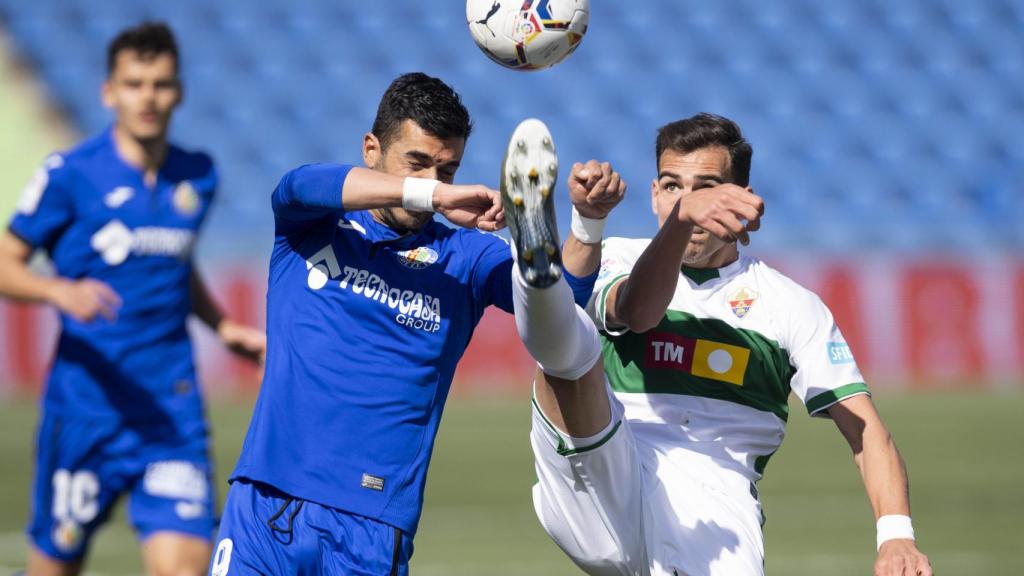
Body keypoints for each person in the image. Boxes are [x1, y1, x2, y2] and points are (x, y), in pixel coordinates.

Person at [210, 73, 623, 575]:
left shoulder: (465, 257)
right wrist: (433, 196)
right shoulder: (311, 225)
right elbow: (299, 185)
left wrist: (587, 224)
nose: (433, 180)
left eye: (446, 170)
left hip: (372, 525)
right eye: (418, 162)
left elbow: (565, 309)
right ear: (372, 149)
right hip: (265, 501)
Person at [509, 113, 932, 575]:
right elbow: (637, 312)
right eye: (671, 186)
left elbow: (866, 429)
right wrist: (600, 227)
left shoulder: (789, 305)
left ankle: (546, 295)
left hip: (716, 494)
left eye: (706, 188)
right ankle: (544, 280)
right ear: (654, 195)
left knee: (570, 341)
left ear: (741, 200)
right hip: (605, 464)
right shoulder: (617, 256)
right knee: (571, 347)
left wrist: (896, 537)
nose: (687, 202)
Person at [0, 22, 266, 576]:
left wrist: (221, 326)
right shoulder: (69, 175)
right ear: (109, 91)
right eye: (135, 83)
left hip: (171, 410)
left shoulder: (199, 176)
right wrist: (57, 290)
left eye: (161, 84)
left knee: (185, 568)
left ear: (180, 91)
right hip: (86, 409)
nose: (148, 97)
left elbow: (173, 264)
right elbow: (5, 261)